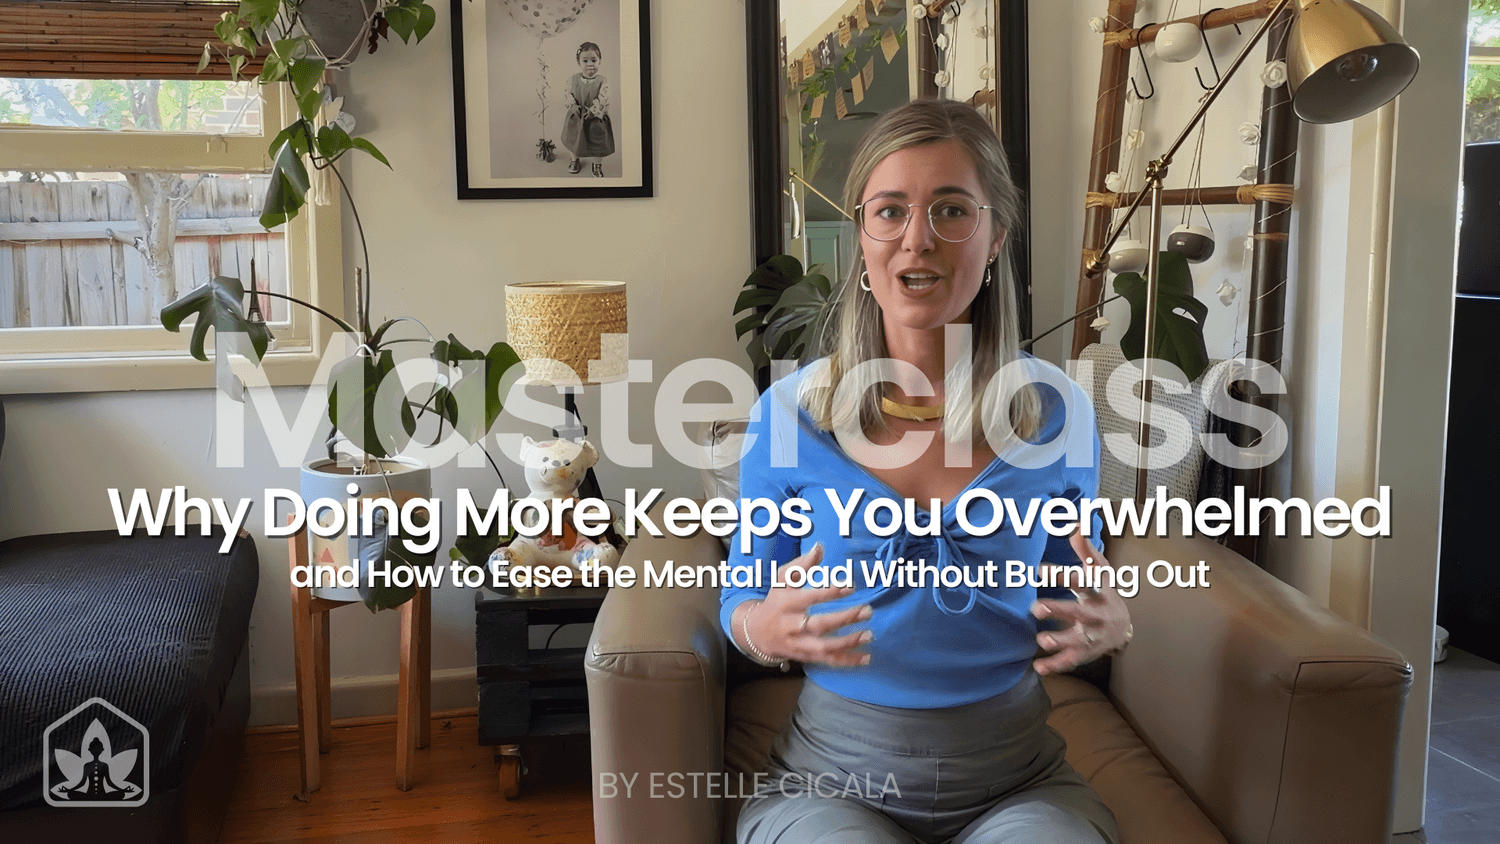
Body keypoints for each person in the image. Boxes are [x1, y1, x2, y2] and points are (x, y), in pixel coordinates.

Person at [719, 99, 1133, 844]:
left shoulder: (1058, 411)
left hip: (1019, 779)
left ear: (995, 235)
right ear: (862, 236)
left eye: (951, 210)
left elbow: (1075, 589)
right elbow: (742, 600)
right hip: (830, 781)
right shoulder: (788, 415)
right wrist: (763, 630)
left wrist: (1113, 622)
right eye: (890, 211)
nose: (918, 238)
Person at [561, 41, 615, 177]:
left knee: (598, 143)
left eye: (594, 60)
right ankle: (574, 159)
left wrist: (594, 110)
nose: (590, 64)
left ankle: (597, 164)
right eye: (585, 61)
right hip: (578, 116)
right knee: (574, 139)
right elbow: (567, 94)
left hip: (595, 118)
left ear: (599, 61)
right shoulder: (573, 80)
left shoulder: (602, 81)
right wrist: (572, 105)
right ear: (579, 62)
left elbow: (604, 99)